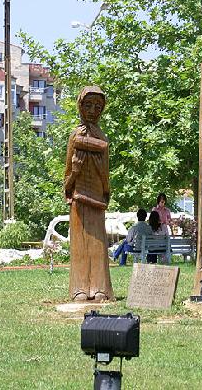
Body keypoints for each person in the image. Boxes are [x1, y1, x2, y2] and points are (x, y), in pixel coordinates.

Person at [64, 86, 112, 302]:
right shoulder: (75, 135)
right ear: (80, 106)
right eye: (88, 105)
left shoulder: (101, 136)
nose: (93, 110)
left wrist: (105, 190)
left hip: (97, 198)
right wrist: (74, 174)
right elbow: (68, 173)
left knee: (98, 245)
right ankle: (80, 288)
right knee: (81, 245)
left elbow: (105, 167)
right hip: (79, 197)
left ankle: (100, 288)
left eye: (98, 107)